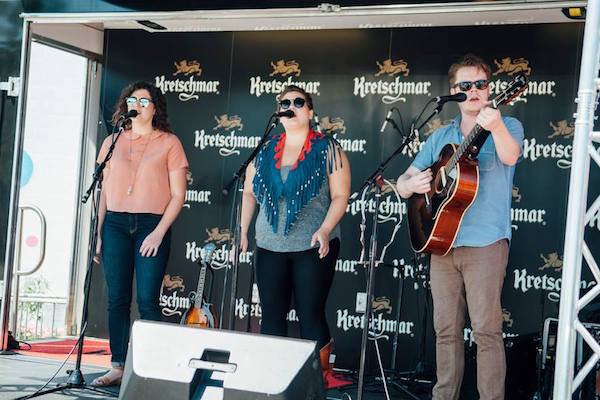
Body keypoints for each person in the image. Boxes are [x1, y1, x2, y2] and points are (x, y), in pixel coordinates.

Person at [396, 54, 524, 400]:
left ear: (490, 88)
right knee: (446, 330)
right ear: (454, 92)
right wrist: (410, 186)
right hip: (441, 244)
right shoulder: (442, 138)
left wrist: (495, 125)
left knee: (486, 331)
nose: (475, 91)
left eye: (481, 84)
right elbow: (405, 179)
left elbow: (510, 156)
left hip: (486, 243)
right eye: (466, 86)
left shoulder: (508, 125)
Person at [240, 85, 351, 385]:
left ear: (310, 111)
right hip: (269, 245)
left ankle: (318, 379)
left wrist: (326, 230)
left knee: (310, 315)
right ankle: (272, 382)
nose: (291, 106)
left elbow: (341, 196)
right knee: (272, 316)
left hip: (312, 246)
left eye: (298, 102)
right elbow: (249, 193)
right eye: (284, 102)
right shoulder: (265, 150)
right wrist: (243, 231)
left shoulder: (328, 149)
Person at [92, 81, 189, 386]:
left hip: (151, 224)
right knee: (117, 299)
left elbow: (178, 195)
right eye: (132, 99)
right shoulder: (112, 142)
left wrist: (159, 232)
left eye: (144, 101)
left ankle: (153, 369)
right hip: (116, 225)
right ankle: (118, 365)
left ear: (155, 108)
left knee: (148, 300)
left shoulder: (169, 142)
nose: (137, 104)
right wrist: (98, 232)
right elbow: (104, 191)